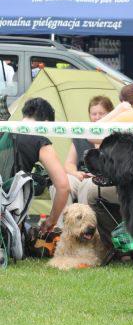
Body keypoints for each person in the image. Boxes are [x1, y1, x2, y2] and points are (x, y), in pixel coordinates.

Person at [87, 84, 133, 251]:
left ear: (124, 102)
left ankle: (116, 247)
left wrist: (117, 111)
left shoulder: (126, 116)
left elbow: (91, 135)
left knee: (93, 194)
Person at [16, 97, 70, 233]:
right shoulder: (40, 141)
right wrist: (51, 220)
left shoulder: (4, 130)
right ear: (46, 122)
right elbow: (63, 186)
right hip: (11, 205)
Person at [61, 96, 114, 207]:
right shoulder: (82, 134)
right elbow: (69, 164)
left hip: (105, 181)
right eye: (94, 114)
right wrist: (76, 173)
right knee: (62, 183)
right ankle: (60, 223)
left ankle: (84, 223)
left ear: (110, 113)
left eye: (102, 113)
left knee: (87, 185)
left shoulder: (116, 136)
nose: (97, 117)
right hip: (81, 176)